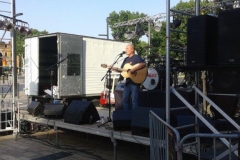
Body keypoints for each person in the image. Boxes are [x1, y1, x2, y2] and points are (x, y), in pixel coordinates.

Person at [111, 44, 146, 110]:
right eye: (125, 48)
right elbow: (122, 70)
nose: (125, 50)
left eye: (127, 48)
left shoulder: (137, 57)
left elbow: (143, 64)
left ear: (132, 50)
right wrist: (113, 68)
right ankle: (126, 115)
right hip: (127, 82)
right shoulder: (126, 59)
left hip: (135, 82)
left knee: (134, 100)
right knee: (125, 99)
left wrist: (133, 69)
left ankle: (134, 116)